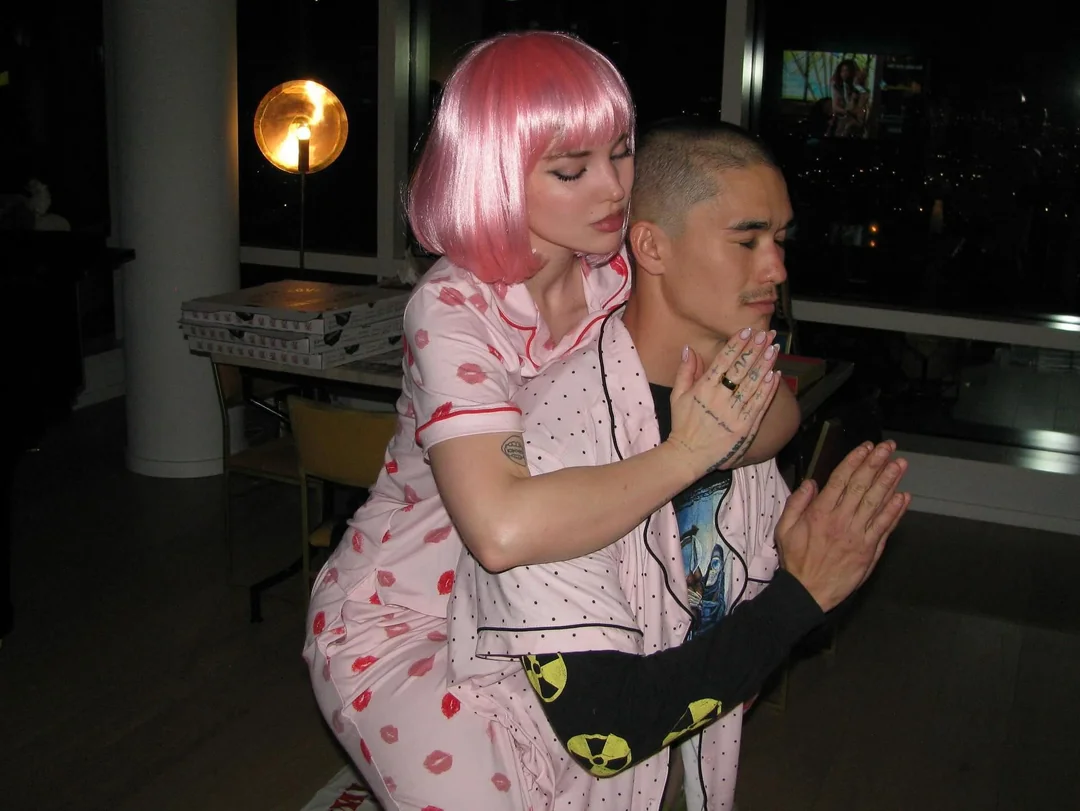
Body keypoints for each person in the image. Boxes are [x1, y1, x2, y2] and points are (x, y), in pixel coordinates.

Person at [303, 32, 800, 811]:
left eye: (622, 153)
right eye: (572, 169)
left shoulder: (618, 274)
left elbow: (773, 407)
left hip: (542, 605)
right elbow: (501, 529)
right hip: (408, 616)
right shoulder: (455, 306)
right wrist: (689, 450)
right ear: (494, 172)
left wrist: (720, 431)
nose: (614, 189)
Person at [447, 119, 912, 811]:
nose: (777, 269)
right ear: (652, 247)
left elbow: (744, 623)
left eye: (780, 240)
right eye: (747, 240)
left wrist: (806, 574)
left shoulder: (736, 409)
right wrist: (802, 594)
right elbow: (605, 728)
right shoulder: (552, 441)